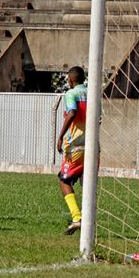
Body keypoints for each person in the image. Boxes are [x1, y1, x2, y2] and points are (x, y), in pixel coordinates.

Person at [56, 66, 88, 235]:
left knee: (64, 180)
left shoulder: (71, 93)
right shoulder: (92, 93)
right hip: (92, 145)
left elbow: (72, 113)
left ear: (70, 80)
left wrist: (61, 136)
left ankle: (77, 218)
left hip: (76, 145)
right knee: (86, 181)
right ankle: (88, 218)